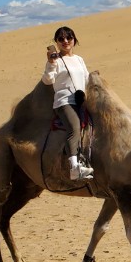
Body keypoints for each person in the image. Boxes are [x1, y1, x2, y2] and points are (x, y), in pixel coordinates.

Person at [42, 25, 94, 181]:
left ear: (74, 40)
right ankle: (74, 168)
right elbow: (47, 80)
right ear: (56, 42)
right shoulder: (56, 61)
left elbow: (86, 79)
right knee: (74, 127)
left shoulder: (79, 59)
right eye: (61, 39)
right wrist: (51, 63)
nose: (65, 41)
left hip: (81, 101)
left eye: (68, 37)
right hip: (64, 102)